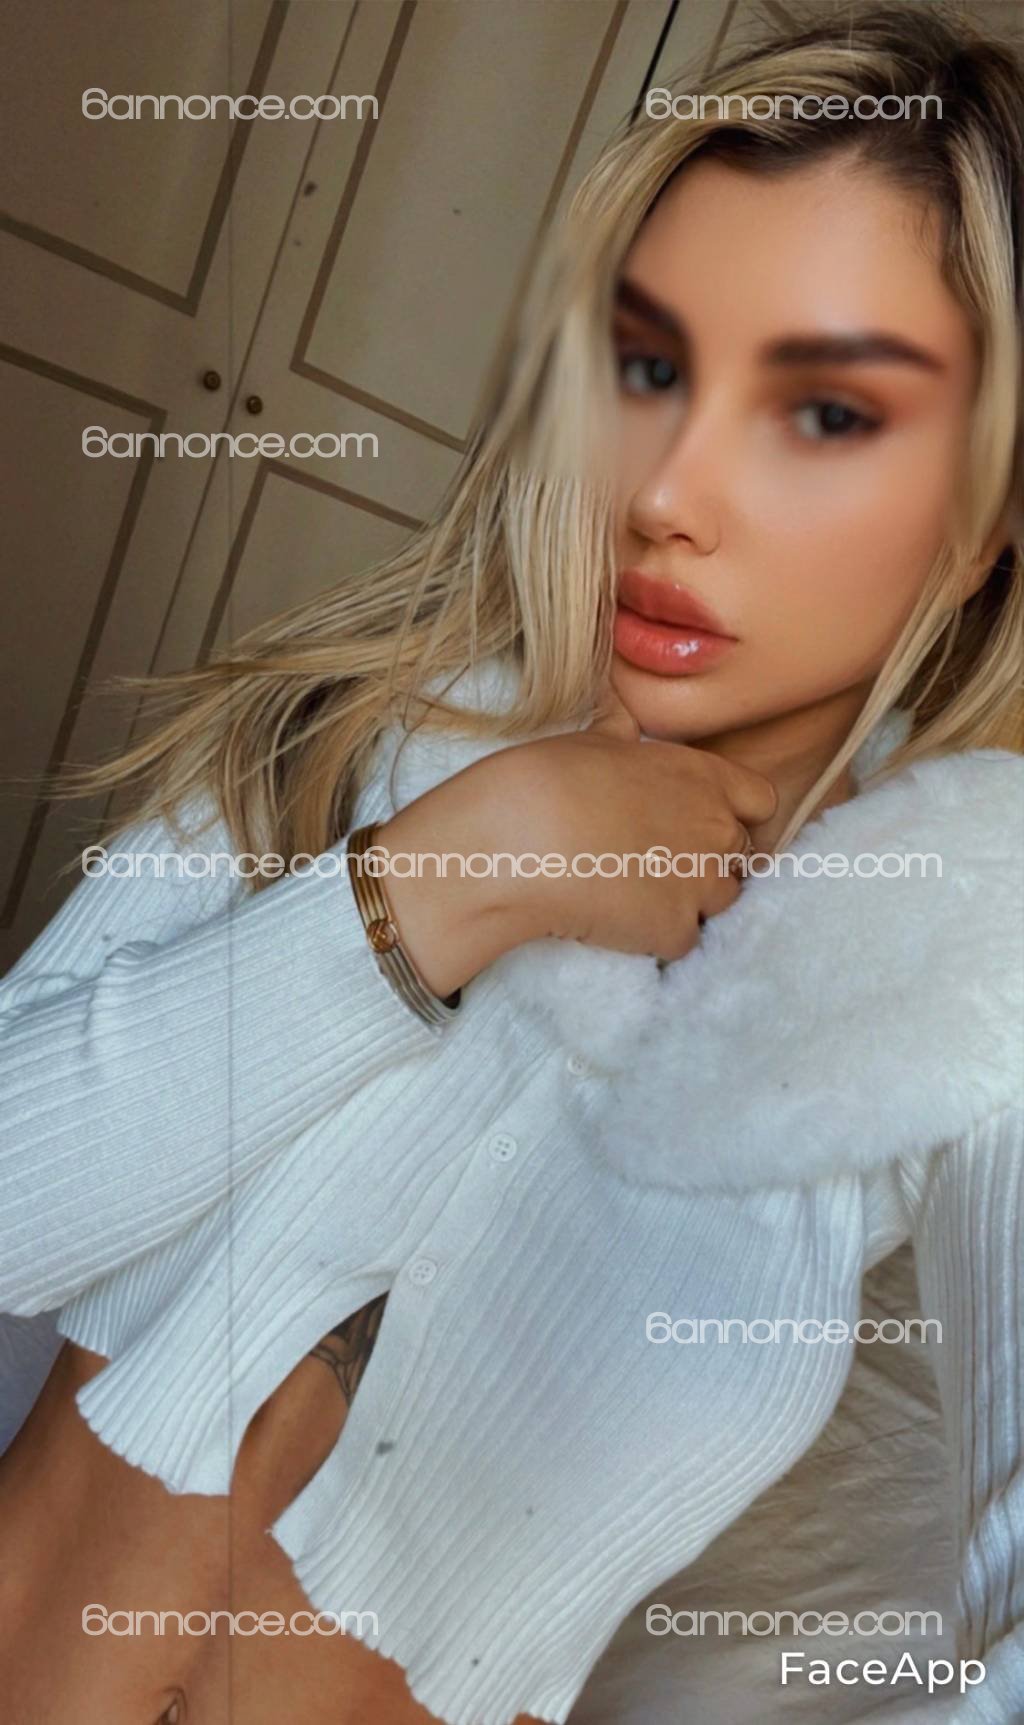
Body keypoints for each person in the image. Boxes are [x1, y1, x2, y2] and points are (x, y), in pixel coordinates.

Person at [1, 4, 1022, 1722]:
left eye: (825, 410)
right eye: (651, 367)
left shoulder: (954, 974)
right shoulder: (346, 730)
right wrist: (447, 878)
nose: (667, 493)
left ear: (990, 510)